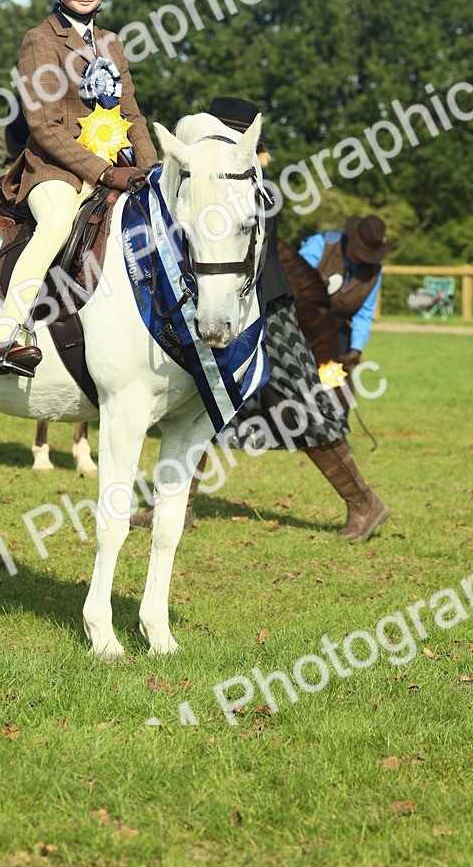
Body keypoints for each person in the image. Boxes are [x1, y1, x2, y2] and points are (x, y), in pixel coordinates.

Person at [132, 97, 389, 542]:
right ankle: (177, 504)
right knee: (204, 402)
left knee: (304, 404)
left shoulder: (253, 186)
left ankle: (365, 503)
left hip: (268, 311)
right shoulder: (222, 180)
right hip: (231, 309)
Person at [0, 0, 159, 377]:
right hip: (55, 171)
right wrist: (103, 172)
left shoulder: (113, 44)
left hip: (117, 167)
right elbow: (42, 126)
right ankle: (6, 335)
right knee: (58, 221)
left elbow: (133, 116)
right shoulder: (39, 40)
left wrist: (153, 169)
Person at [297, 214, 388, 377]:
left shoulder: (374, 272)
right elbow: (294, 276)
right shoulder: (321, 244)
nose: (363, 258)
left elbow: (364, 313)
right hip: (300, 328)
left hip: (337, 336)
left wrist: (356, 348)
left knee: (333, 396)